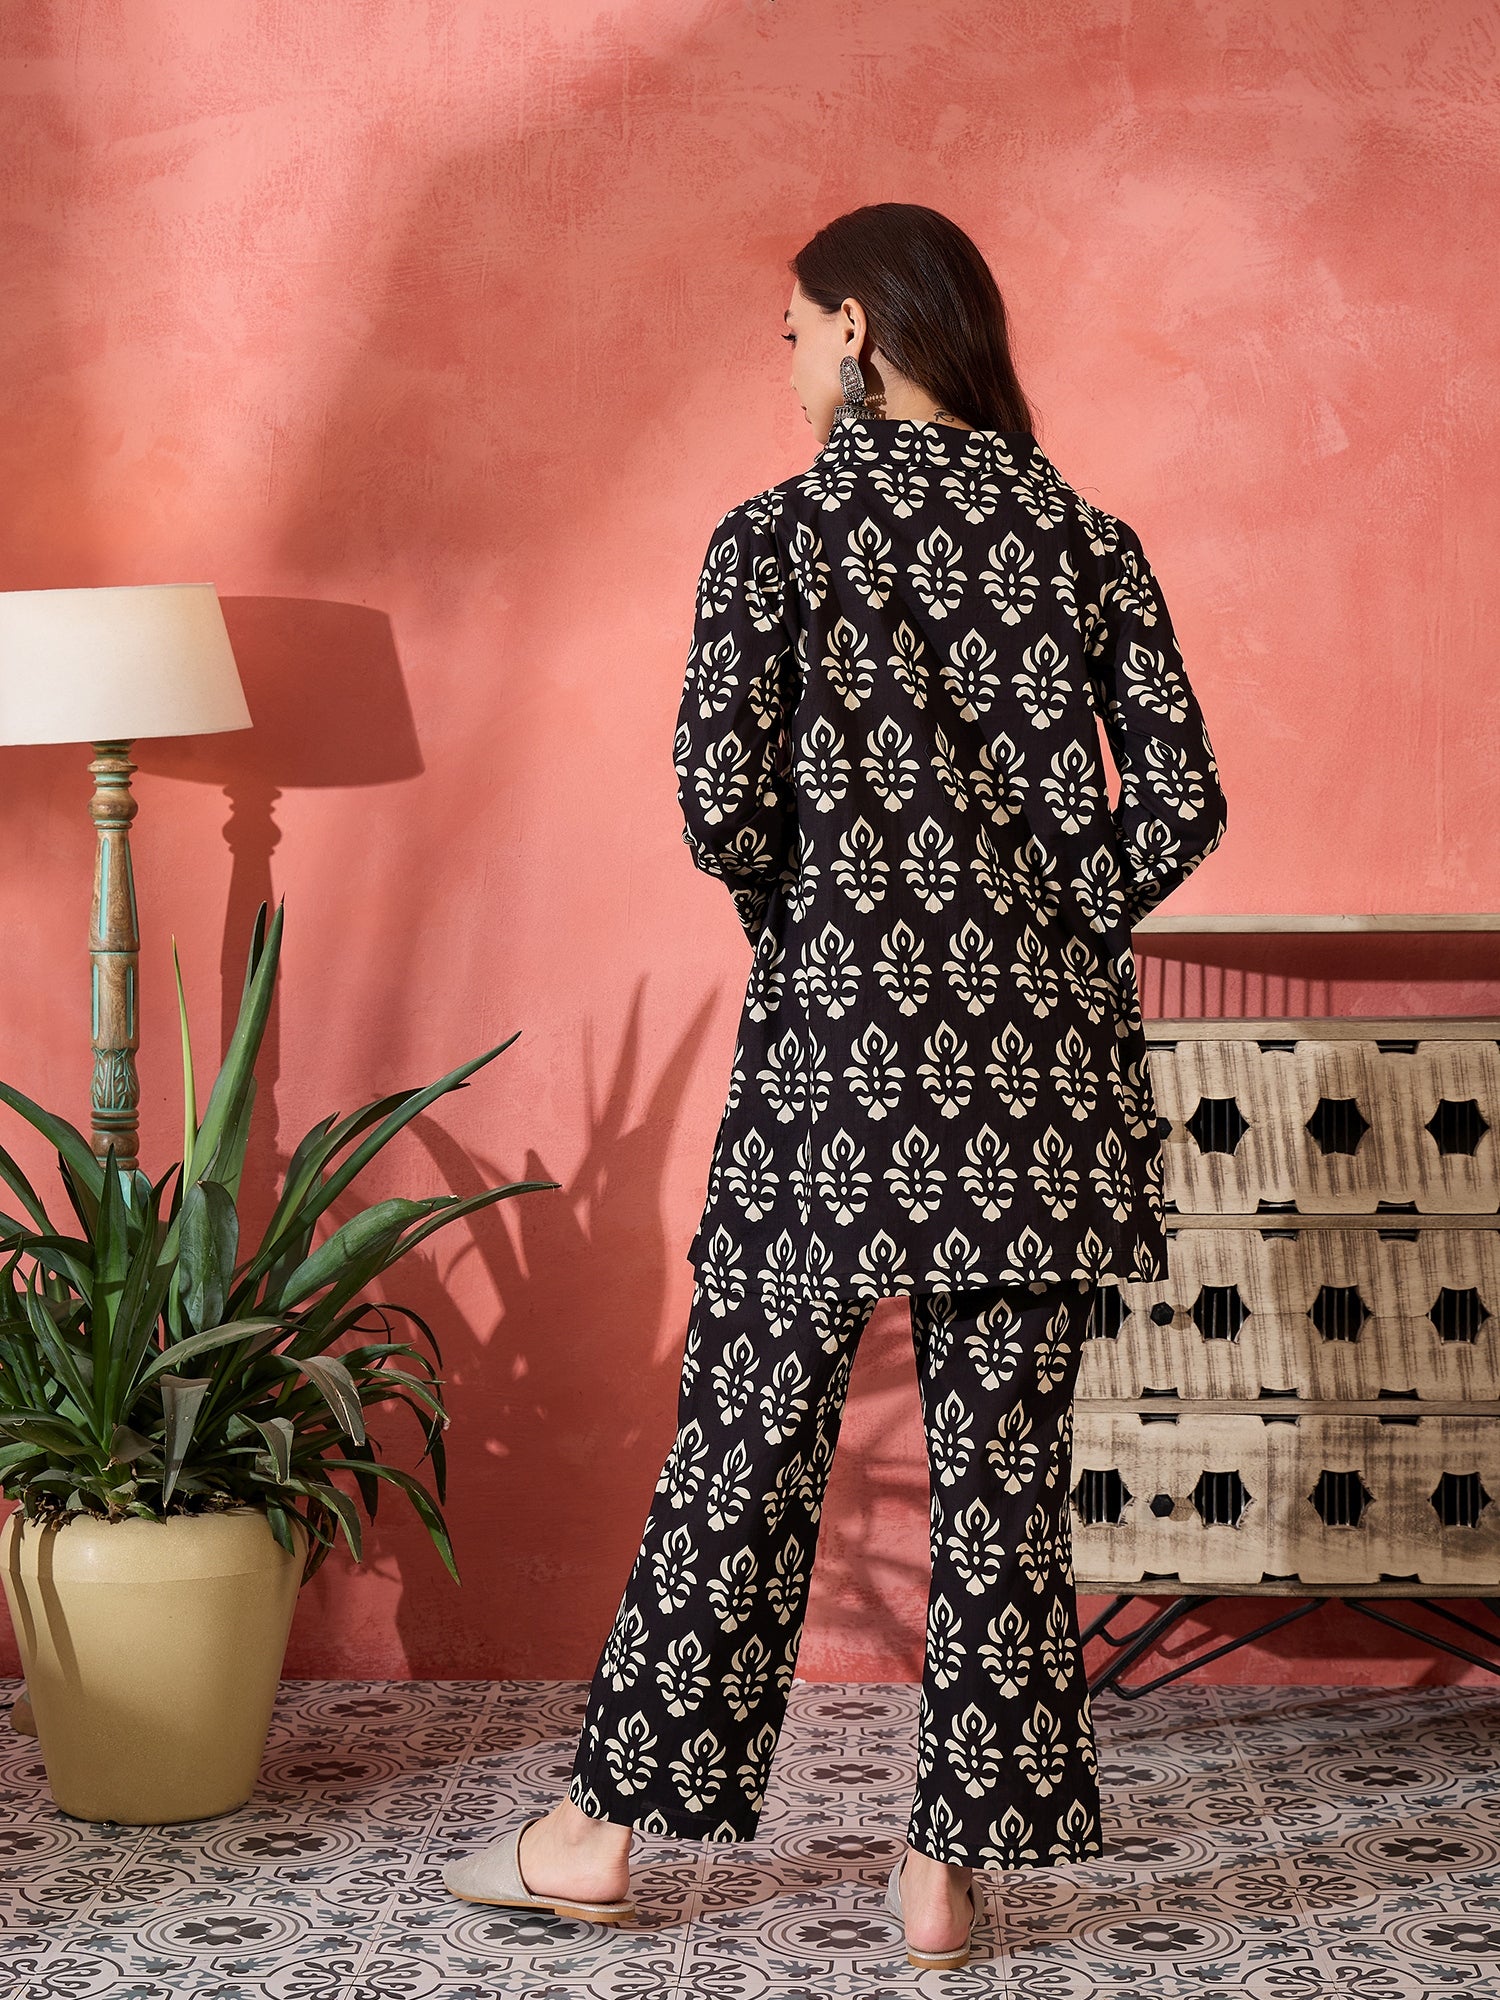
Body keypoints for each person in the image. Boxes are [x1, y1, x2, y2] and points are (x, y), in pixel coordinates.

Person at [444, 202, 1228, 1969]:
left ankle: (597, 1835)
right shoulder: (1086, 542)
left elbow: (719, 797)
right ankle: (944, 1878)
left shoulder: (775, 539)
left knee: (746, 1437)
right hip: (1038, 1081)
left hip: (837, 1065)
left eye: (794, 333)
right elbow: (1180, 799)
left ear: (859, 328)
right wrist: (1045, 925)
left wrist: (823, 926)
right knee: (1005, 1469)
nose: (789, 365)